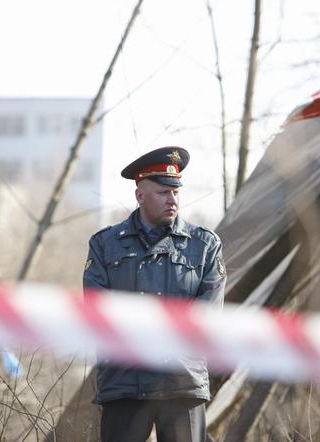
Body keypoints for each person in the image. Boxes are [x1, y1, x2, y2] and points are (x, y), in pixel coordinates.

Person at [83, 146, 226, 442]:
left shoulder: (204, 245)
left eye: (176, 193)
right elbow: (97, 312)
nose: (172, 200)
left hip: (181, 383)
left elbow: (207, 316)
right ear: (140, 196)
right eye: (163, 193)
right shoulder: (105, 245)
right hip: (124, 381)